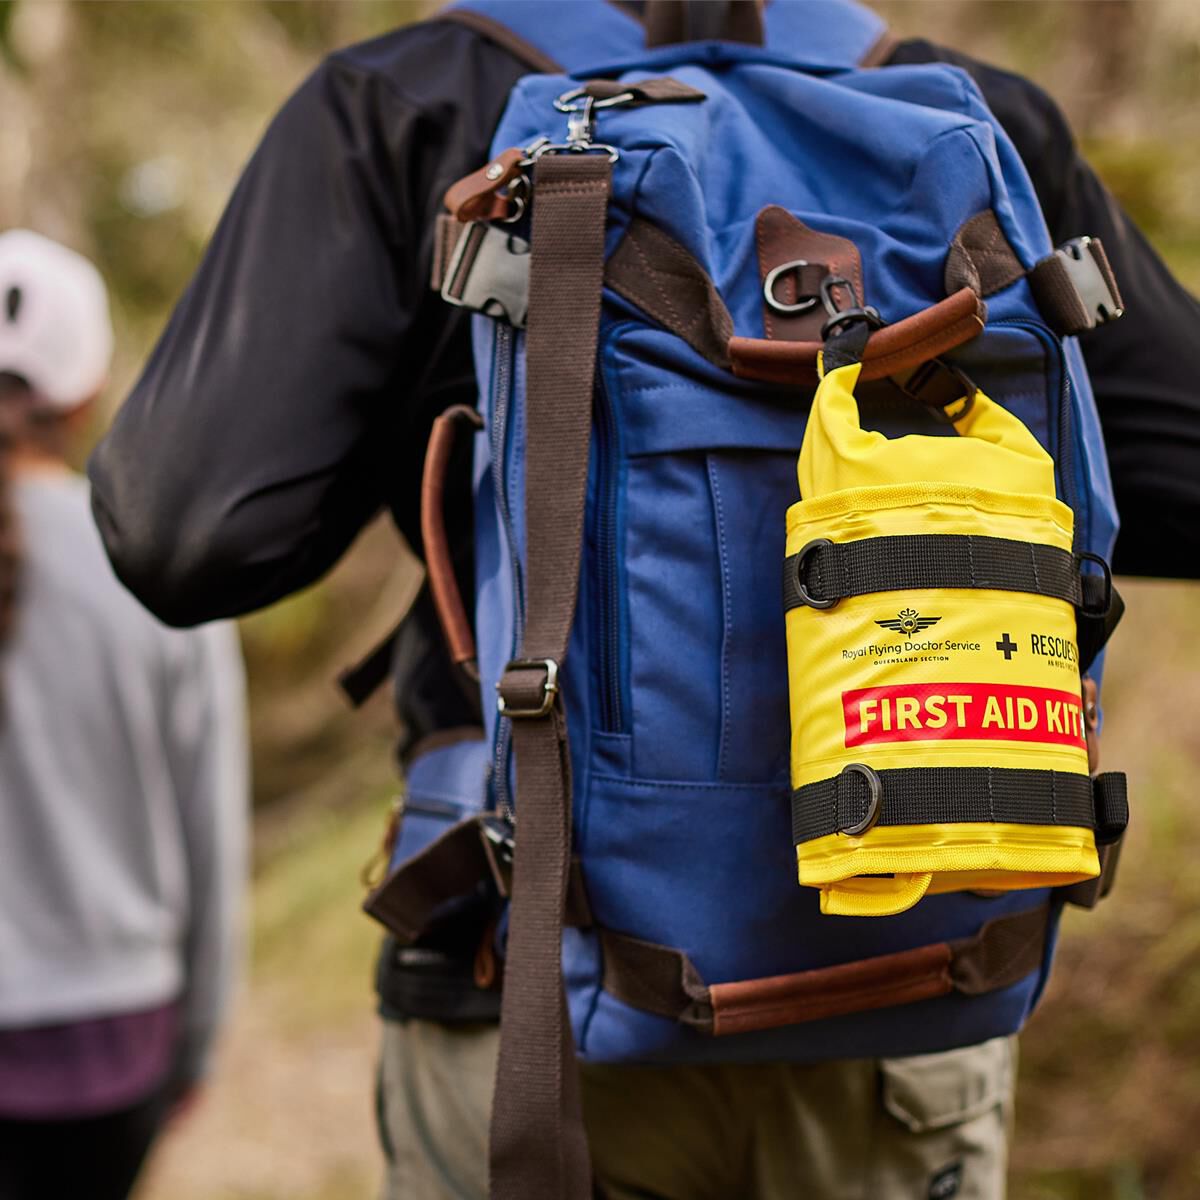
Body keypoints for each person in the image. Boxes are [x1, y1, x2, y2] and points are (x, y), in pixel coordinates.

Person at [86, 3, 1200, 1198]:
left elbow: (188, 536)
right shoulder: (960, 111)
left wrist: (458, 420)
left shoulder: (410, 105)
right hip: (921, 977)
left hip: (532, 995)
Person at [0, 229, 249, 1200]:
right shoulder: (161, 574)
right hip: (118, 1046)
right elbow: (211, 839)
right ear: (89, 395)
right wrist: (195, 1048)